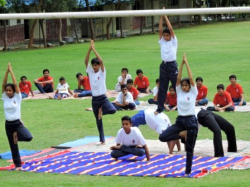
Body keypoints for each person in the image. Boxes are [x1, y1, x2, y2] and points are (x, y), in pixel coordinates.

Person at [159, 54, 198, 176]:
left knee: (189, 149)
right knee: (162, 137)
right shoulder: (179, 91)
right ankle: (182, 133)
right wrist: (181, 64)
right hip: (181, 121)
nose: (185, 87)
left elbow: (191, 78)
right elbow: (178, 78)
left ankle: (187, 171)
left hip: (191, 121)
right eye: (183, 85)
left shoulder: (193, 92)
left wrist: (187, 64)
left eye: (186, 85)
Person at [2, 63, 33, 170]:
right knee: (13, 146)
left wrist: (11, 71)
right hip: (8, 125)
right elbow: (3, 84)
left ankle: (17, 136)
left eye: (10, 90)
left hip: (17, 123)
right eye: (7, 90)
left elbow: (15, 84)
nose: (8, 92)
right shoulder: (4, 97)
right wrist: (6, 72)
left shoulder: (18, 97)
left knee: (29, 137)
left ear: (14, 91)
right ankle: (18, 165)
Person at [85, 40, 116, 144]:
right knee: (98, 121)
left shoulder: (102, 73)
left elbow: (101, 61)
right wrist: (89, 49)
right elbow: (85, 61)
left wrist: (94, 49)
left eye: (96, 65)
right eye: (93, 65)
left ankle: (102, 111)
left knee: (112, 110)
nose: (94, 67)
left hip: (103, 97)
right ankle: (102, 139)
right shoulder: (90, 72)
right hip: (95, 99)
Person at [155, 9, 178, 114]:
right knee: (162, 88)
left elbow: (171, 29)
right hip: (163, 66)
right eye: (164, 35)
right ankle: (160, 108)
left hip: (172, 65)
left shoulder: (173, 41)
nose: (165, 37)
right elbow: (160, 30)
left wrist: (165, 16)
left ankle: (182, 106)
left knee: (176, 86)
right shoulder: (162, 42)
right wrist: (161, 16)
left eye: (167, 35)